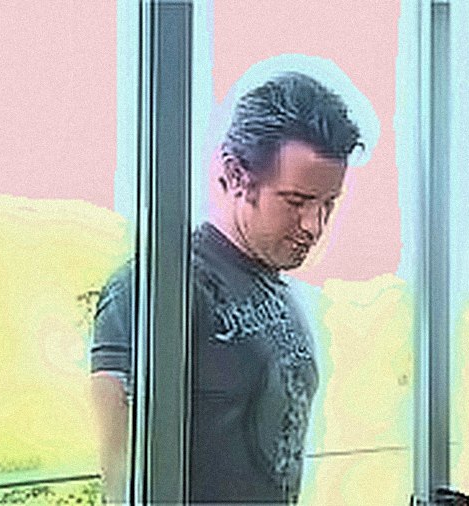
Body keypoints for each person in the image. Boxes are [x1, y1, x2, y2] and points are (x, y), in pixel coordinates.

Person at [90, 71, 363, 503]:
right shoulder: (157, 290)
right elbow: (123, 483)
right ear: (236, 176)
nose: (314, 226)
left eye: (328, 203)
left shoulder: (280, 293)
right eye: (296, 202)